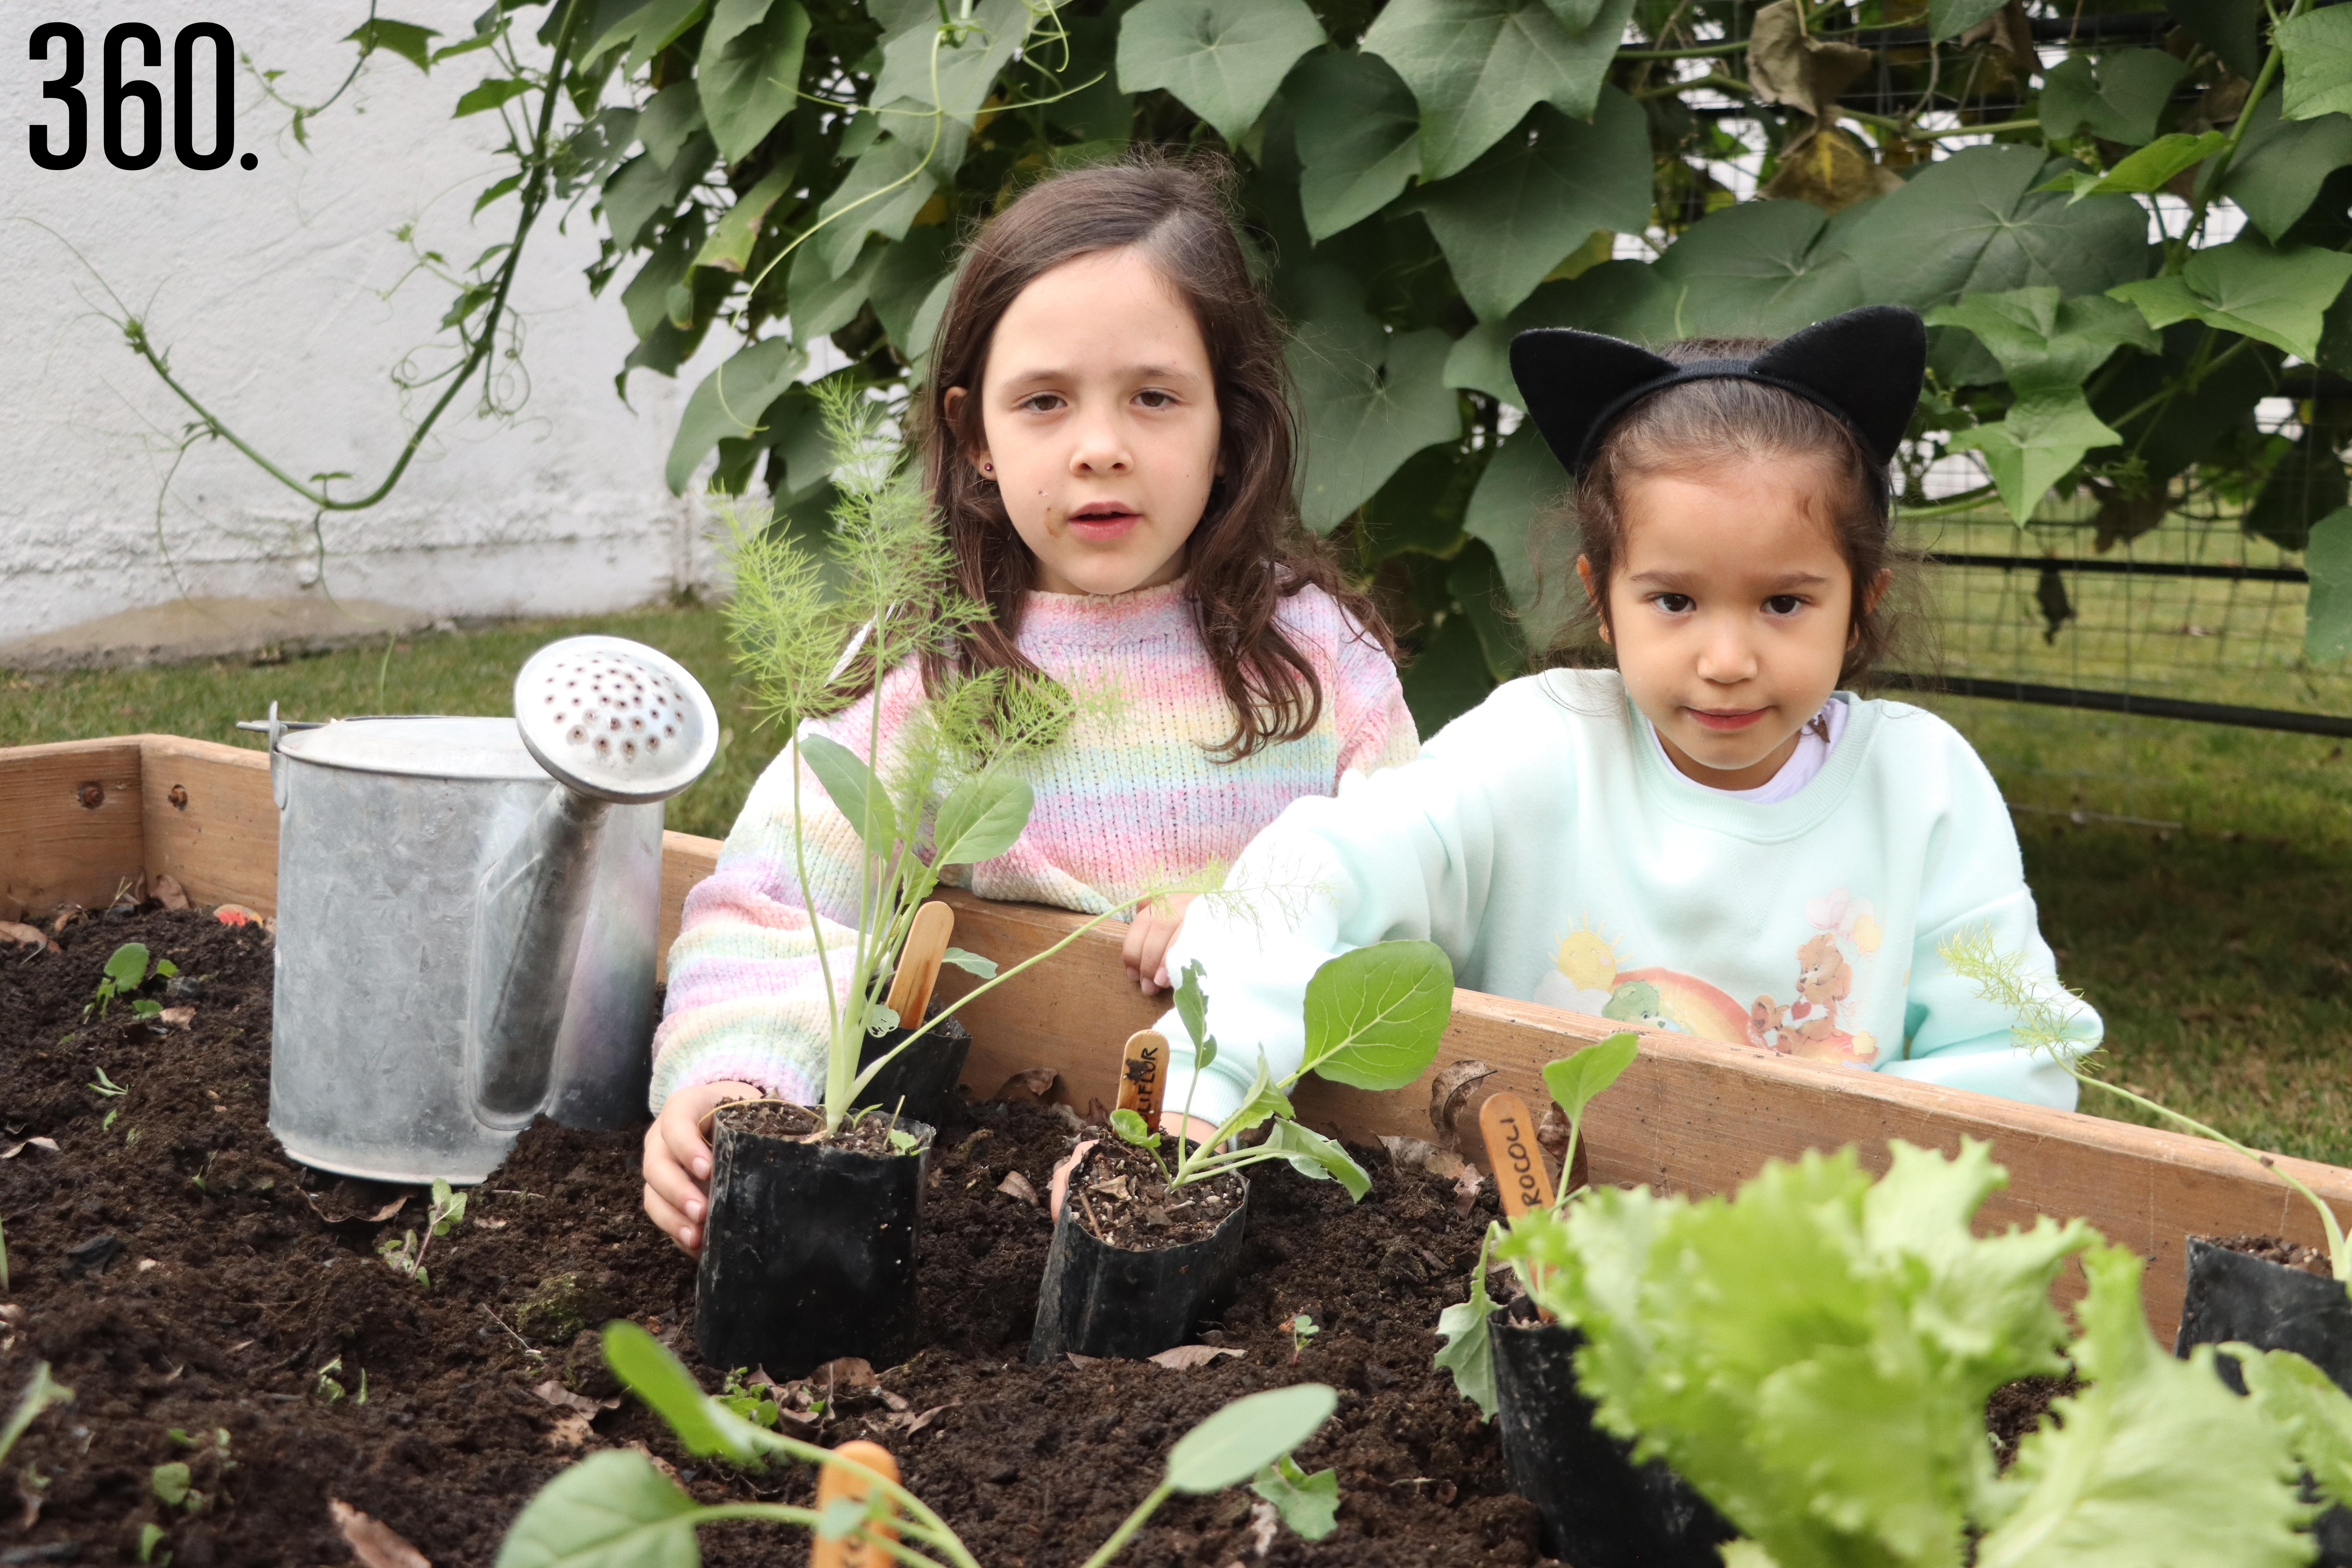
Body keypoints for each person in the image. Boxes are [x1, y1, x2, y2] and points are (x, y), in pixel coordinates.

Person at [642, 160, 1417, 1253]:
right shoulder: (930, 666)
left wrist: (1264, 932)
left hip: (1272, 1163)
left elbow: (1419, 899)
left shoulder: (1314, 663)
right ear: (974, 435)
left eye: (1154, 396)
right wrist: (731, 1087)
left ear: (1229, 426)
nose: (1099, 445)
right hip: (971, 1194)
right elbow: (784, 902)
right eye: (1045, 402)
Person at [1153, 306, 2101, 1127]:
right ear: (1602, 599)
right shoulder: (1539, 744)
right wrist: (1217, 1049)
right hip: (1527, 1230)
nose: (1726, 662)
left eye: (1784, 605)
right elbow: (1331, 869)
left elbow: (2014, 1057)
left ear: (1863, 601)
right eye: (1675, 603)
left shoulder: (1923, 789)